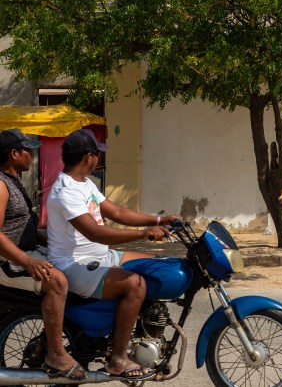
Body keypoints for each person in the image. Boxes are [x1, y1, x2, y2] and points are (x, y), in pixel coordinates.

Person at [46, 129, 178, 380]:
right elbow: (97, 233)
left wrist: (161, 218)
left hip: (100, 256)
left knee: (155, 267)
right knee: (135, 284)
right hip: (74, 264)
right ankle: (117, 359)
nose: (99, 159)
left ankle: (142, 339)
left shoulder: (85, 184)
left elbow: (116, 212)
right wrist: (142, 234)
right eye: (97, 154)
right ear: (88, 157)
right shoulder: (66, 191)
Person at [0, 129, 86, 381]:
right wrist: (28, 261)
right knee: (57, 281)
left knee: (76, 265)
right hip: (9, 261)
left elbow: (26, 229)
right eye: (27, 150)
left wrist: (67, 242)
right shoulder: (2, 185)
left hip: (27, 251)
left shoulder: (15, 182)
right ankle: (56, 354)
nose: (32, 155)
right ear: (14, 154)